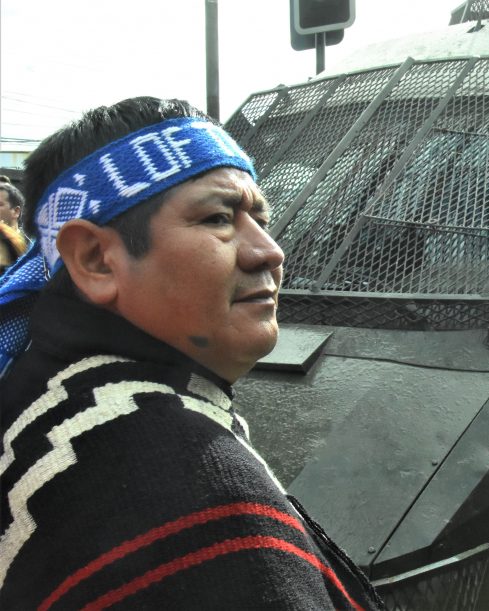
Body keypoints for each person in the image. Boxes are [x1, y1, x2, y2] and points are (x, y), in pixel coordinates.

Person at [0, 97, 382, 610]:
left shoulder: (47, 394)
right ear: (95, 260)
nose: (269, 250)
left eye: (260, 219)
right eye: (219, 218)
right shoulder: (194, 496)